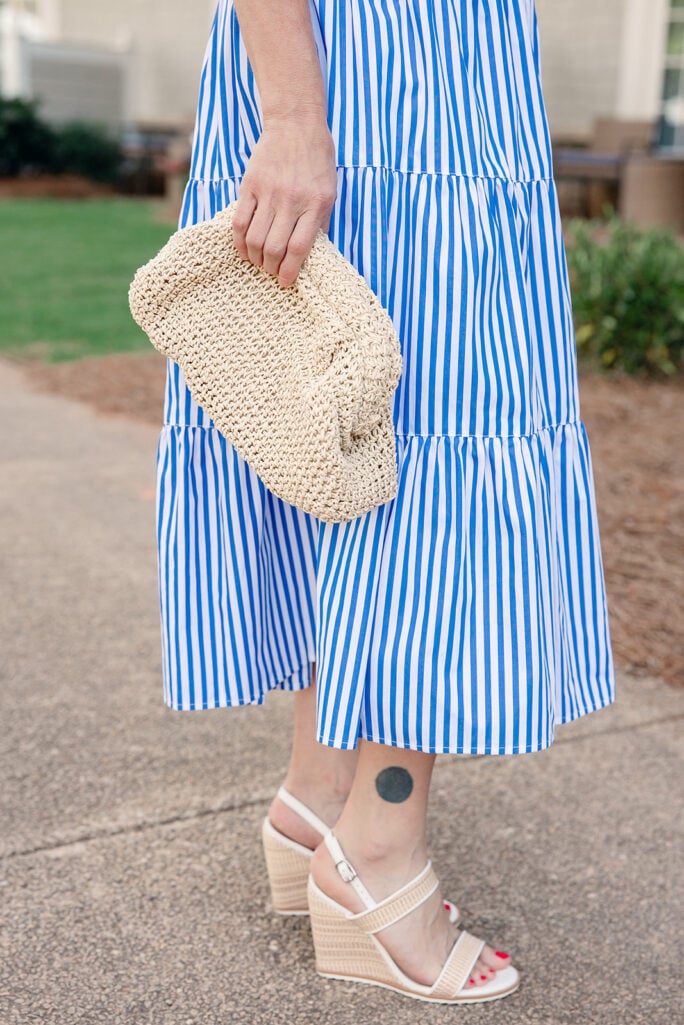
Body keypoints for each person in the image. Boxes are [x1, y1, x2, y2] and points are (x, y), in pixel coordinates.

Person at [155, 0, 616, 1004]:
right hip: (374, 72)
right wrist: (293, 115)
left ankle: (319, 793)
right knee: (436, 433)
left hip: (440, 70)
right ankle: (377, 847)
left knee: (342, 428)